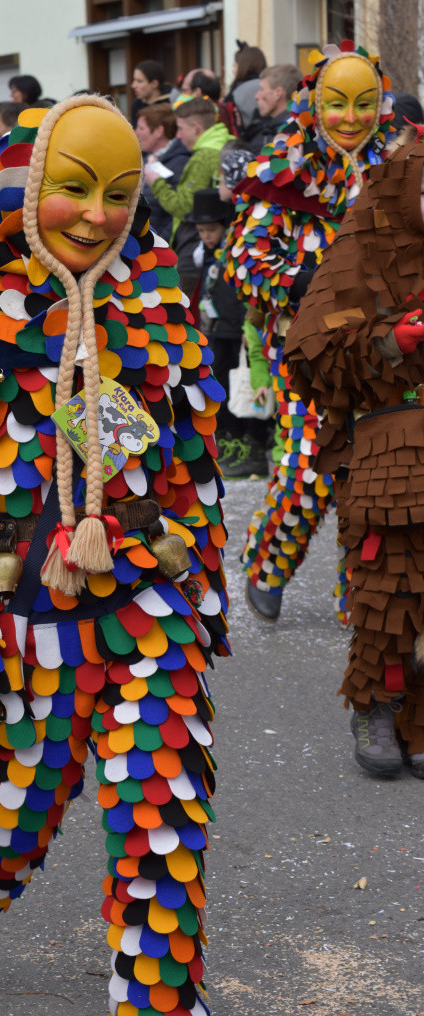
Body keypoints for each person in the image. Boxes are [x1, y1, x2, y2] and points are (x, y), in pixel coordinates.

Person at [0, 95, 230, 1016]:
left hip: (144, 610)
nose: (96, 214)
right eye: (74, 188)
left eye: (120, 193)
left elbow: (188, 469)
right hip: (25, 623)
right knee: (19, 813)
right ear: (29, 186)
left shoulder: (155, 303)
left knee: (162, 804)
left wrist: (192, 578)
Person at [223, 42, 396, 623]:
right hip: (307, 351)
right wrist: (303, 283)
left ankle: (365, 596)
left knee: (376, 471)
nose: (351, 118)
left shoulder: (401, 167)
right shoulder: (285, 170)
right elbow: (242, 263)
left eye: (364, 104)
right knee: (309, 466)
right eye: (338, 104)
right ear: (316, 103)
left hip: (384, 351)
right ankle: (267, 562)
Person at [286, 134, 424, 778]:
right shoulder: (362, 244)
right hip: (390, 451)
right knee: (389, 589)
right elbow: (310, 356)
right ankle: (376, 704)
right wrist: (388, 342)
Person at [191, 186, 268, 480]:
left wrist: (241, 326)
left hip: (237, 328)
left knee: (244, 383)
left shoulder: (233, 249)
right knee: (223, 383)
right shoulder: (209, 254)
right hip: (219, 327)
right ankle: (232, 440)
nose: (206, 235)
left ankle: (252, 445)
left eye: (211, 229)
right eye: (201, 230)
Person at [144, 96, 230, 297]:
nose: (179, 136)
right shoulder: (225, 143)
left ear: (196, 127)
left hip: (194, 246)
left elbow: (184, 206)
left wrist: (155, 182)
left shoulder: (203, 157)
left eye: (181, 129)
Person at [135, 103, 189, 243]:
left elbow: (176, 213)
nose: (136, 132)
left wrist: (159, 241)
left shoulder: (179, 163)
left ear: (159, 131)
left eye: (141, 128)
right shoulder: (147, 158)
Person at [247, 64, 302, 154]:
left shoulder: (286, 134)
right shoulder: (297, 124)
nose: (256, 96)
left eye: (261, 89)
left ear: (278, 93)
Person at [222, 44, 267, 138]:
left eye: (235, 66)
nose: (233, 71)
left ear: (243, 66)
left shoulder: (237, 91)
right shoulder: (270, 85)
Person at [131, 60, 171, 126]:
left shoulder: (171, 103)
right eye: (134, 80)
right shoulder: (136, 104)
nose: (133, 85)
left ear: (154, 84)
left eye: (139, 81)